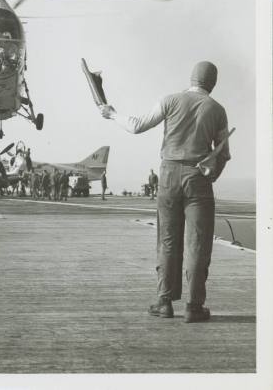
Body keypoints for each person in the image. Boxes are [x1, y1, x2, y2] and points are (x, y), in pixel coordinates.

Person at [99, 61, 230, 323]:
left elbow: (137, 125)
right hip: (198, 177)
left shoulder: (170, 100)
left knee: (168, 240)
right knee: (198, 243)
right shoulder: (217, 110)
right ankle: (194, 307)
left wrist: (112, 113)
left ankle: (165, 302)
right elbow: (223, 154)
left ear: (191, 77)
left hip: (169, 174)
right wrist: (211, 175)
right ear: (213, 83)